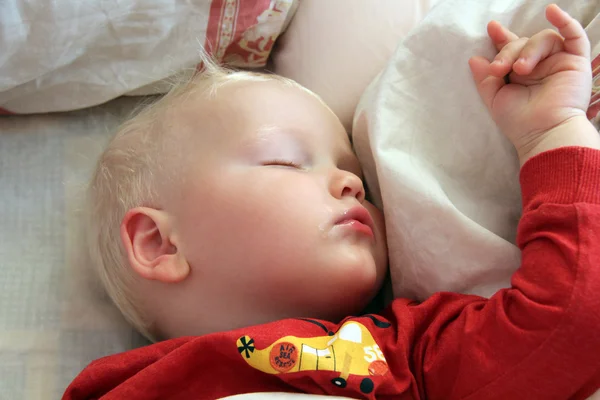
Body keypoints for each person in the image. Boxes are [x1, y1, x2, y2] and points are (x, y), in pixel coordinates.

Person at [64, 4, 599, 399]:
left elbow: (570, 321)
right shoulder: (118, 389)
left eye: (352, 170)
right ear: (160, 242)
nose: (353, 185)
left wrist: (550, 133)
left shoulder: (405, 353)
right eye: (287, 162)